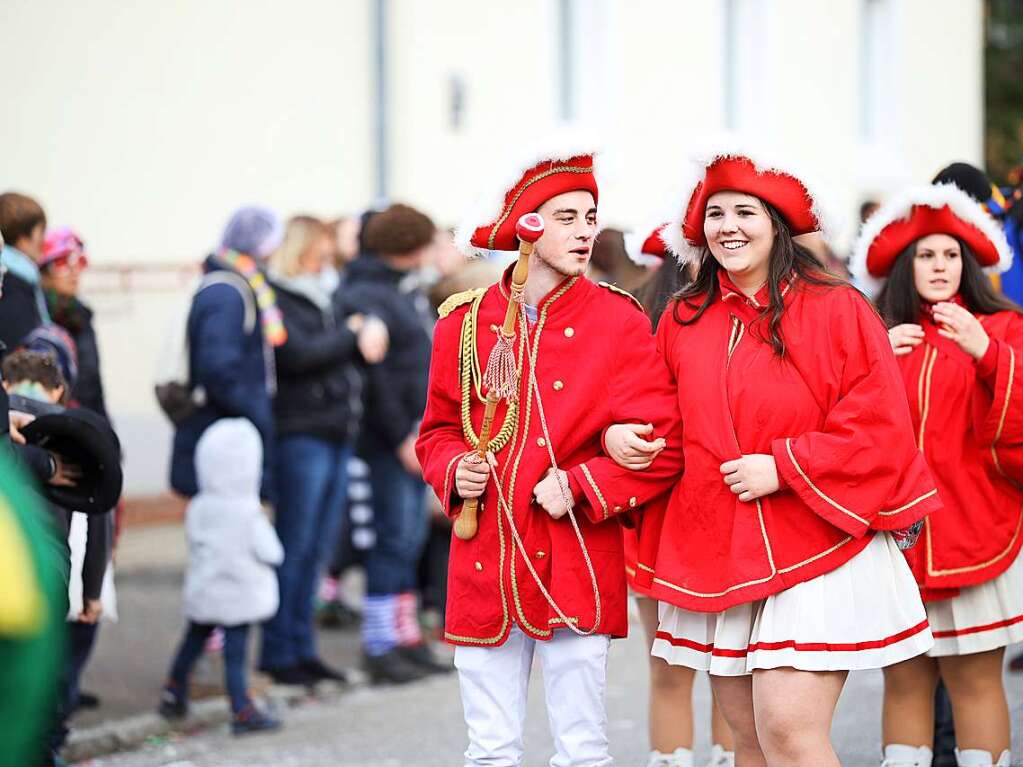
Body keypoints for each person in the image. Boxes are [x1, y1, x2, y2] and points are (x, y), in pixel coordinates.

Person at [607, 145, 941, 767]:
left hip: (819, 539)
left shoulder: (836, 306)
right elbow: (664, 423)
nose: (727, 226)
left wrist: (784, 465)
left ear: (777, 224)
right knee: (750, 739)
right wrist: (618, 440)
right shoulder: (682, 317)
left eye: (744, 212)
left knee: (788, 728)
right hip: (721, 548)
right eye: (715, 214)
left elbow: (878, 426)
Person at [416, 136, 685, 766]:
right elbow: (436, 431)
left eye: (590, 218)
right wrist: (457, 469)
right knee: (490, 748)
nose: (586, 232)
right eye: (567, 218)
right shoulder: (462, 322)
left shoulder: (618, 319)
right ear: (527, 228)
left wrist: (585, 483)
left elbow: (664, 443)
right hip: (486, 562)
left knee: (583, 747)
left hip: (575, 560)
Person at [852, 184, 1020, 767]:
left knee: (974, 682)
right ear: (906, 265)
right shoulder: (874, 333)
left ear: (968, 264)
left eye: (951, 255)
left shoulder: (1005, 330)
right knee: (905, 682)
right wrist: (875, 361)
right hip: (895, 546)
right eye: (927, 255)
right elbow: (845, 431)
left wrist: (988, 354)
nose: (940, 266)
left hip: (978, 534)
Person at [260, 215, 388, 685]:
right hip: (301, 433)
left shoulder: (328, 294)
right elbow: (295, 355)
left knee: (315, 550)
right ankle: (279, 650)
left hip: (335, 431)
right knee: (294, 546)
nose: (330, 254)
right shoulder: (279, 297)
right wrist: (350, 334)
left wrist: (358, 330)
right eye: (324, 245)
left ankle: (302, 647)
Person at [625, 225, 735, 767]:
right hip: (706, 506)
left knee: (667, 667)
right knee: (726, 665)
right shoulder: (694, 322)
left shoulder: (636, 319)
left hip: (656, 513)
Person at [345, 203, 448, 683]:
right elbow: (378, 378)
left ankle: (406, 638)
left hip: (415, 434)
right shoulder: (367, 293)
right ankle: (380, 643)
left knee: (409, 540)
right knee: (391, 540)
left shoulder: (404, 291)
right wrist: (401, 435)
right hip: (389, 441)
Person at [159, 418, 283, 735]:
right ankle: (241, 707)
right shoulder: (248, 512)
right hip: (239, 596)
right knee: (236, 654)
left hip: (205, 591)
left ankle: (173, 690)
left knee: (192, 640)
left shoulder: (199, 506)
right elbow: (272, 553)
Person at [170, 205, 284, 506]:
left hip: (228, 432)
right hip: (223, 440)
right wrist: (257, 413)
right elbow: (219, 370)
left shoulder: (241, 285)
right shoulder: (228, 293)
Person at [0, 192, 50, 350]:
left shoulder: (17, 280)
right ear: (23, 237)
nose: (43, 241)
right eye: (41, 232)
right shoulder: (13, 284)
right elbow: (17, 349)